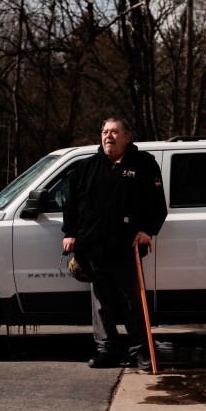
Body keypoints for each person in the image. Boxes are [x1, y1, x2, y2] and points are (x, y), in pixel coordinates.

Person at [62, 118, 167, 370]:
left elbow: (157, 203)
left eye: (115, 132)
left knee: (133, 303)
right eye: (105, 132)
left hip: (126, 250)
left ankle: (140, 351)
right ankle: (107, 350)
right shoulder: (86, 168)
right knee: (101, 305)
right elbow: (70, 204)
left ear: (127, 137)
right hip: (93, 251)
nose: (109, 136)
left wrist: (148, 230)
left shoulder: (144, 165)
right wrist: (70, 233)